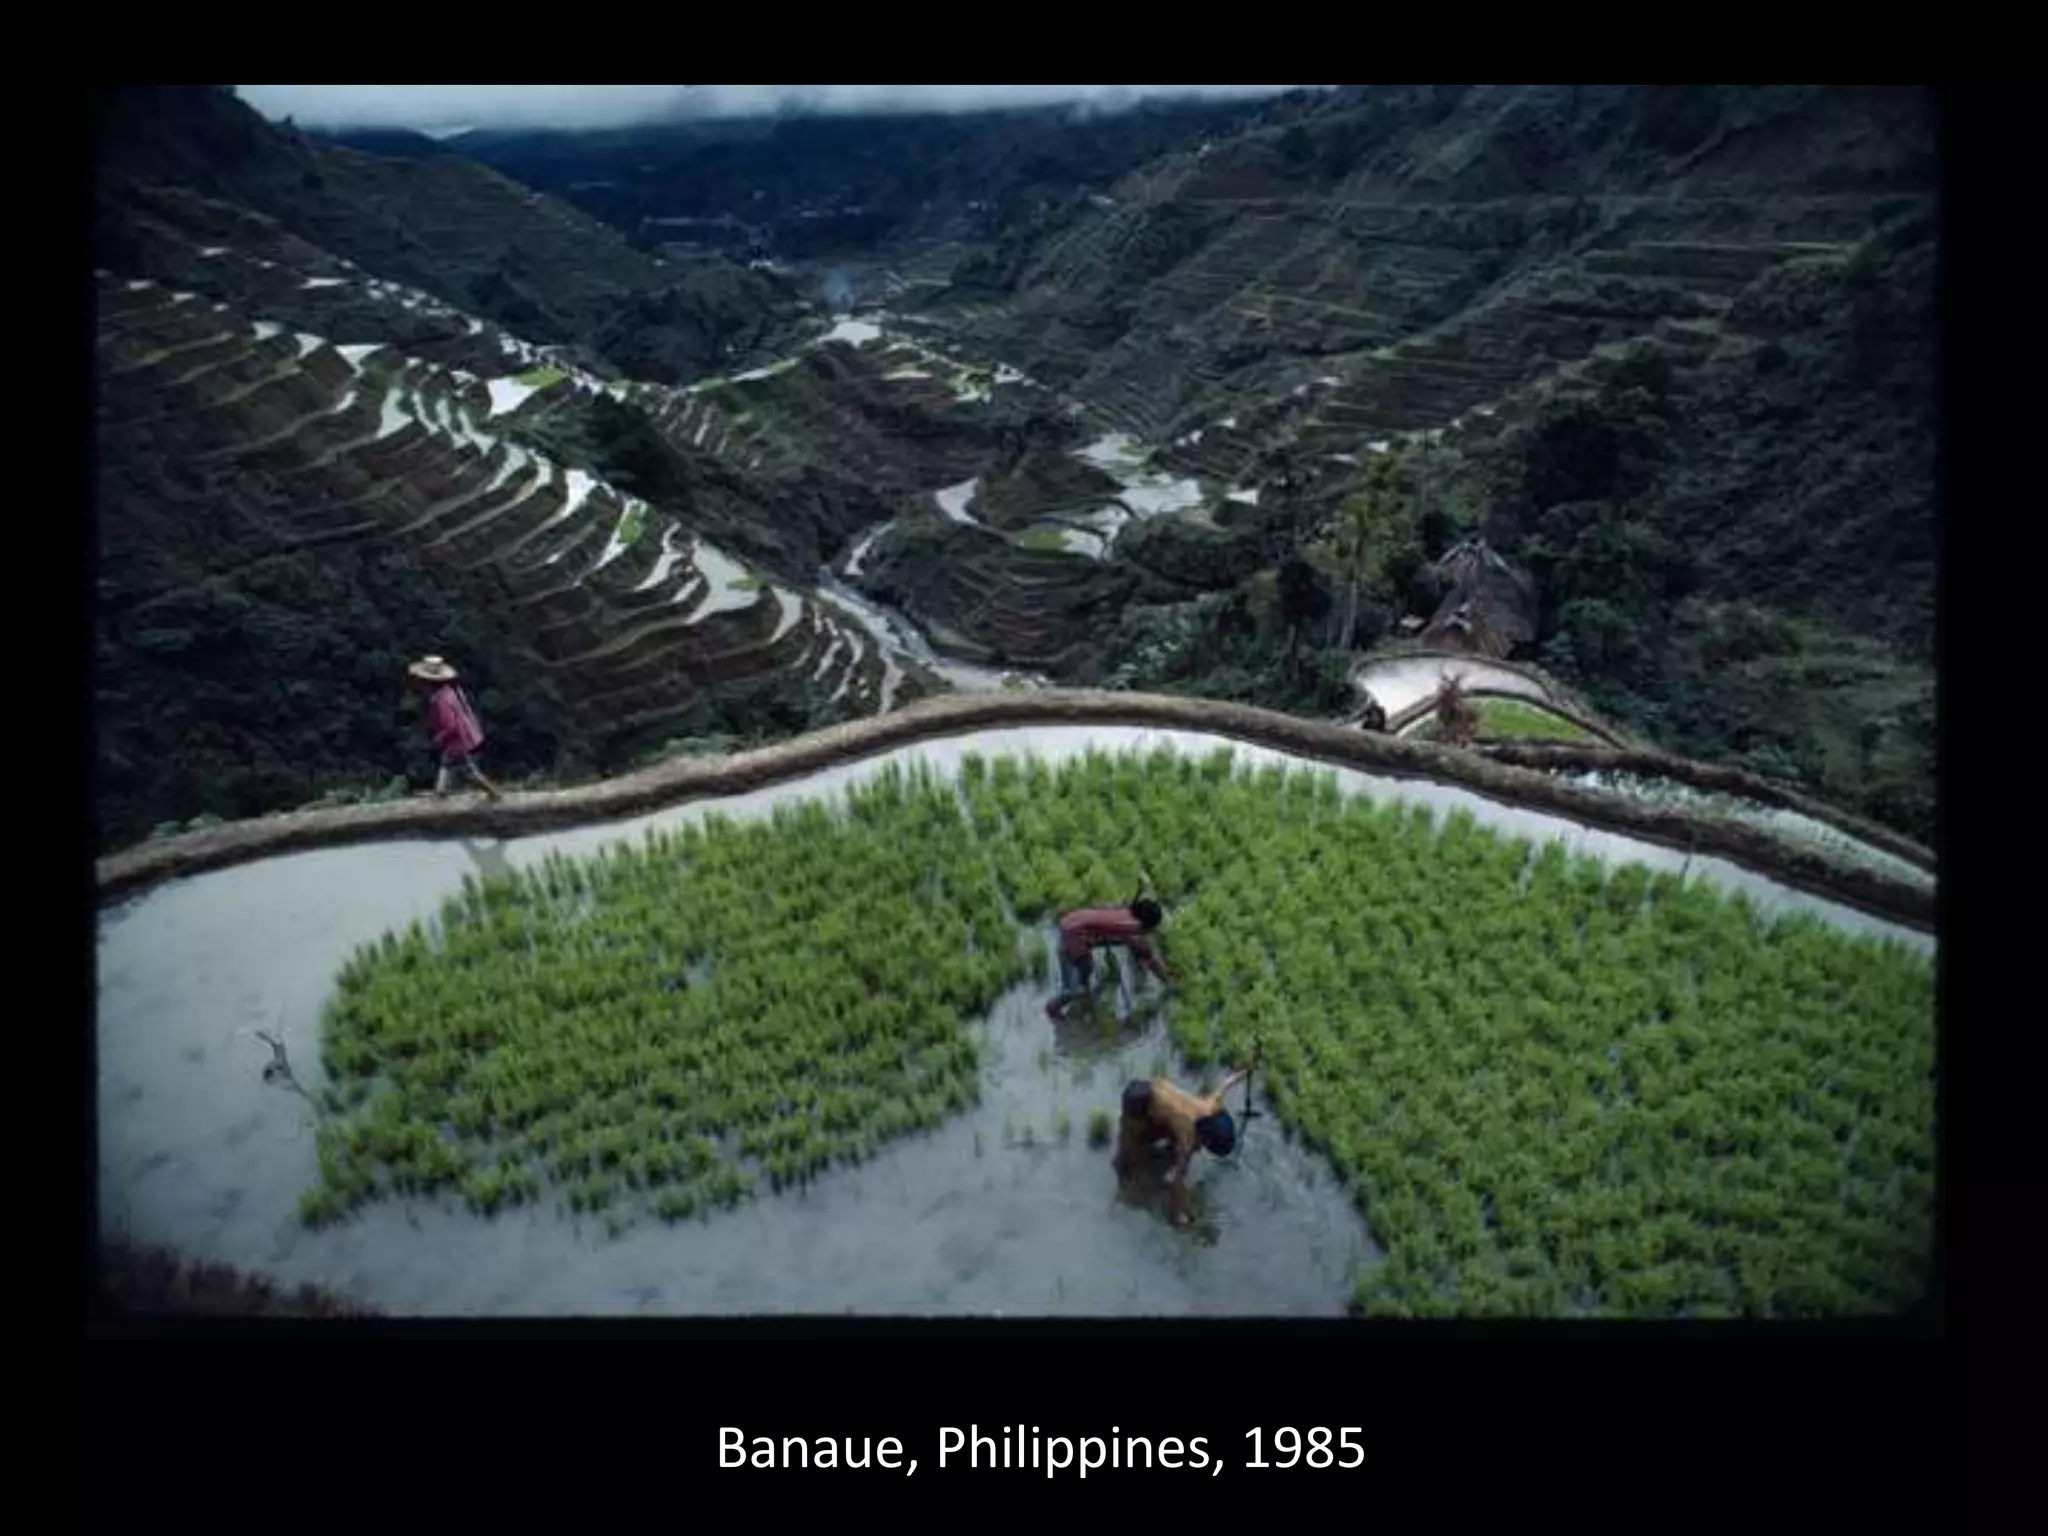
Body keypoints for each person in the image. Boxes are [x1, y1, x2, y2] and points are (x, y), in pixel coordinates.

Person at [1114, 1063, 1253, 1227]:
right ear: (1203, 1139)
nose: (1202, 1150)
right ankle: (1123, 1182)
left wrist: (1241, 1075)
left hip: (1157, 1091)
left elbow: (1223, 1087)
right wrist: (1181, 1215)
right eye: (1206, 1146)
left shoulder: (1209, 1108)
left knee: (1172, 1137)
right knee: (1127, 1153)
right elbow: (1173, 1178)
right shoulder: (1187, 1135)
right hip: (1138, 1102)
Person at [1046, 897, 1170, 1021]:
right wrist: (1166, 980)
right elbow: (1149, 957)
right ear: (1147, 924)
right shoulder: (1132, 927)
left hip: (1071, 920)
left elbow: (1107, 926)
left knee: (1086, 966)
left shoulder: (1126, 911)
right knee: (1076, 986)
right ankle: (1053, 1007)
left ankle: (1086, 985)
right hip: (1074, 934)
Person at [406, 655, 502, 799]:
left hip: (457, 740)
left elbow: (451, 725)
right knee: (448, 763)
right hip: (459, 739)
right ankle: (441, 790)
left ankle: (493, 792)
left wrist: (439, 738)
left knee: (465, 769)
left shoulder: (441, 701)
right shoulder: (447, 692)